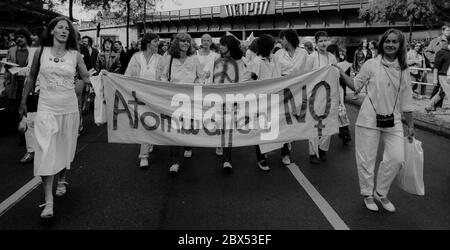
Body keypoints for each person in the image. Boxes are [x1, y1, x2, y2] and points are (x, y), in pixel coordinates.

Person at [18, 17, 93, 219]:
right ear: (51, 31)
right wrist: (23, 101)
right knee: (45, 152)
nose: (63, 30)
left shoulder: (75, 55)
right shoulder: (40, 52)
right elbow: (32, 76)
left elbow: (86, 78)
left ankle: (62, 179)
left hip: (68, 109)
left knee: (64, 149)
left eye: (67, 29)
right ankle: (48, 202)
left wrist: (102, 80)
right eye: (59, 27)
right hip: (46, 108)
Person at [338, 28, 415, 213]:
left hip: (393, 120)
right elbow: (355, 85)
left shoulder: (404, 69)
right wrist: (339, 71)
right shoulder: (371, 64)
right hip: (369, 119)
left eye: (394, 42)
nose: (390, 44)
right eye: (387, 41)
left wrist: (410, 124)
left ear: (400, 45)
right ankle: (367, 194)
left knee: (397, 158)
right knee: (366, 160)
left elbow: (407, 99)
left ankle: (381, 192)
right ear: (382, 44)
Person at [162, 32, 203, 174]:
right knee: (174, 130)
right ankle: (175, 161)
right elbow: (163, 77)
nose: (186, 43)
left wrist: (195, 86)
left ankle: (187, 145)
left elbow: (200, 77)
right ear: (176, 43)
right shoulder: (169, 58)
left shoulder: (195, 58)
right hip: (173, 99)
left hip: (190, 99)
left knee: (187, 126)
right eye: (182, 41)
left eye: (188, 41)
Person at [211, 35, 252, 171]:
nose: (220, 46)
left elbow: (245, 79)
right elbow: (212, 79)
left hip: (232, 100)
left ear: (230, 46)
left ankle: (227, 160)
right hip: (217, 100)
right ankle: (220, 144)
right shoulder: (217, 60)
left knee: (228, 128)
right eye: (220, 45)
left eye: (222, 44)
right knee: (220, 127)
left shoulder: (241, 61)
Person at [124, 32, 165, 168]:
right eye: (155, 41)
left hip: (155, 96)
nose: (157, 44)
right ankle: (145, 150)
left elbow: (164, 77)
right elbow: (127, 75)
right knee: (144, 123)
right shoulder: (136, 57)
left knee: (152, 121)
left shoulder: (161, 59)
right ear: (148, 43)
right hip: (139, 95)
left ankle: (146, 150)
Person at [246, 34, 282, 171]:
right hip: (261, 101)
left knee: (272, 127)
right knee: (261, 128)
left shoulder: (275, 59)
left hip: (274, 98)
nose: (274, 47)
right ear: (268, 46)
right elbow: (249, 80)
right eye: (272, 45)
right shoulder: (256, 61)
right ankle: (261, 157)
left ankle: (274, 151)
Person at [3, 28, 37, 163]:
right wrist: (6, 82)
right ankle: (25, 135)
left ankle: (30, 144)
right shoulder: (11, 51)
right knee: (18, 111)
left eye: (22, 36)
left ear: (26, 38)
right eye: (17, 37)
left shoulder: (34, 51)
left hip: (29, 87)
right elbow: (6, 69)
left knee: (29, 115)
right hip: (14, 85)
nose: (19, 39)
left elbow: (32, 71)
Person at [305, 30, 338, 164]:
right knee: (314, 125)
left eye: (325, 40)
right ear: (316, 43)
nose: (324, 43)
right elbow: (306, 76)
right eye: (321, 41)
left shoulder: (332, 57)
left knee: (328, 123)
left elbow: (337, 75)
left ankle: (323, 149)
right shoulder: (312, 57)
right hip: (315, 95)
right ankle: (313, 153)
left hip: (330, 94)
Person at [327, 43, 352, 145]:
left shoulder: (341, 64)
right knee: (339, 111)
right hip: (333, 90)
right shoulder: (330, 63)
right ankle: (341, 132)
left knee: (341, 111)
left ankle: (344, 133)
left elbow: (347, 78)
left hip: (339, 90)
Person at [425, 36, 450, 112]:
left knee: (441, 93)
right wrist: (435, 79)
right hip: (443, 76)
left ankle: (428, 107)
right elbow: (436, 67)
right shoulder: (441, 52)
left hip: (448, 75)